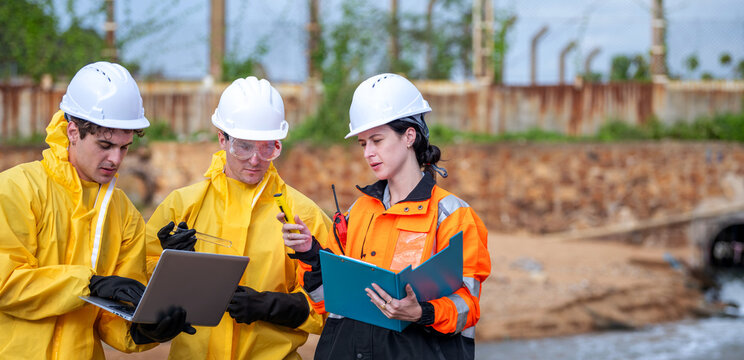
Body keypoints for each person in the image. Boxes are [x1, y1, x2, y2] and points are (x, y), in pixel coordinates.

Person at [281, 73, 491, 359]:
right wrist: (309, 254)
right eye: (363, 143)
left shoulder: (453, 216)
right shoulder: (358, 212)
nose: (368, 153)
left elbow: (467, 309)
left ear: (409, 136)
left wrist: (422, 312)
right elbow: (328, 304)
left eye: (377, 140)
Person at [0, 61, 195, 360]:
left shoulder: (124, 214)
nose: (115, 159)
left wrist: (144, 331)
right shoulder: (16, 190)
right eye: (105, 145)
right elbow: (6, 284)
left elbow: (111, 320)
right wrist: (90, 284)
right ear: (73, 131)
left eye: (124, 147)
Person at [145, 76, 332, 359]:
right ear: (223, 138)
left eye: (267, 146)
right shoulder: (180, 207)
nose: (256, 159)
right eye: (244, 146)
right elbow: (138, 284)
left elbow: (333, 305)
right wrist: (170, 269)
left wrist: (272, 306)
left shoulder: (302, 215)